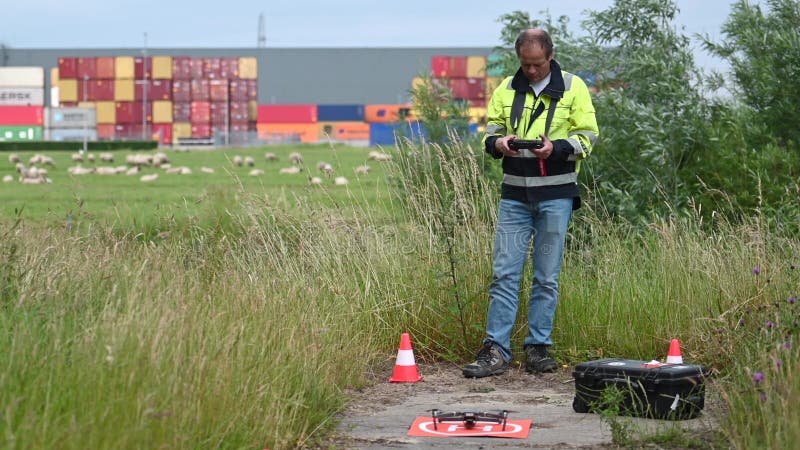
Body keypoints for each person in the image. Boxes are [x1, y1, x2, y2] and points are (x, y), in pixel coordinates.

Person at [463, 28, 599, 378]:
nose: (532, 71)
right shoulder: (508, 86)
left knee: (546, 277)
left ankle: (538, 348)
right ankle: (495, 350)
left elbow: (589, 137)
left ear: (550, 56)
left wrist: (557, 148)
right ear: (519, 59)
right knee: (504, 274)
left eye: (538, 64)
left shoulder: (574, 87)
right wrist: (499, 143)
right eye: (526, 64)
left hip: (556, 196)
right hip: (515, 196)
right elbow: (490, 131)